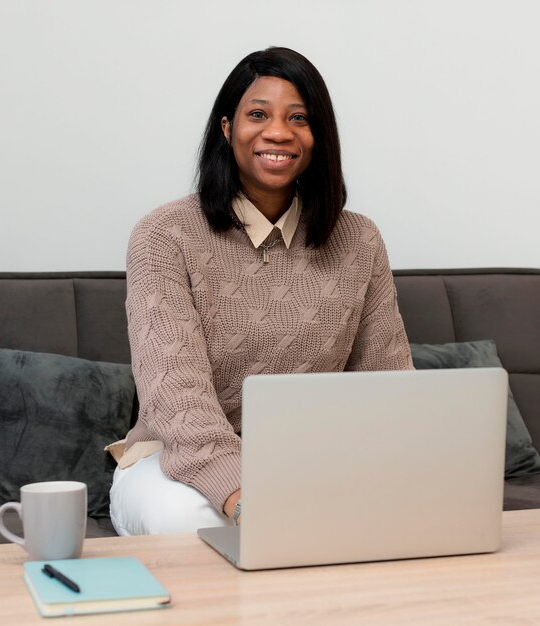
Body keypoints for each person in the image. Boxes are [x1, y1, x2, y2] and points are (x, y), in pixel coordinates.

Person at [108, 46, 413, 536]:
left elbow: (388, 383)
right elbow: (177, 399)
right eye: (258, 115)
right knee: (191, 524)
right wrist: (244, 498)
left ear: (318, 137)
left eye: (299, 118)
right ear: (227, 128)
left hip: (312, 462)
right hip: (177, 463)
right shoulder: (165, 235)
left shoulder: (360, 239)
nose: (278, 132)